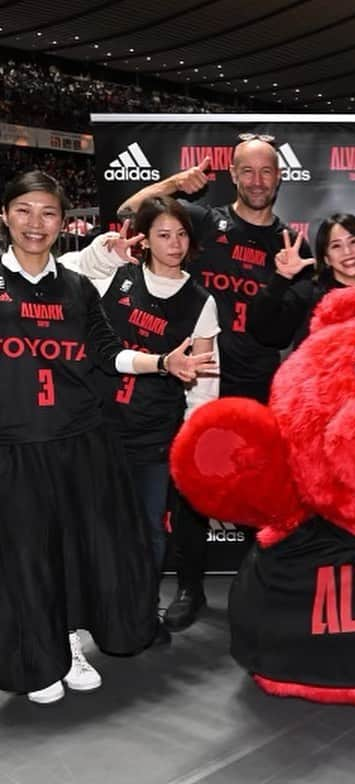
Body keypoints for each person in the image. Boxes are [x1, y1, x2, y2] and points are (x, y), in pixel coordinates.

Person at [0, 171, 215, 704]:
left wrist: (163, 361)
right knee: (24, 555)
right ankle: (34, 657)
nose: (36, 223)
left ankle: (68, 642)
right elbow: (105, 252)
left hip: (77, 440)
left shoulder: (73, 287)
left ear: (61, 221)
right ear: (4, 216)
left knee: (73, 550)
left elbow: (107, 351)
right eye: (24, 210)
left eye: (48, 213)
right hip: (14, 444)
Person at [117, 135, 311, 631]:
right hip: (193, 380)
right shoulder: (204, 220)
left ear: (280, 178)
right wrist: (177, 184)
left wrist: (283, 282)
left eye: (267, 171)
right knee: (188, 492)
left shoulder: (292, 244)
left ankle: (253, 588)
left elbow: (283, 331)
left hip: (256, 385)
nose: (257, 181)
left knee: (252, 493)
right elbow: (128, 209)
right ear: (232, 175)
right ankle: (189, 589)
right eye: (247, 171)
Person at [61, 197, 220, 621]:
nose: (174, 243)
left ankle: (141, 610)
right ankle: (96, 610)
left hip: (154, 431)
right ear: (145, 240)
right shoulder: (116, 274)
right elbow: (62, 268)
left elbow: (205, 380)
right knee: (95, 525)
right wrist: (104, 249)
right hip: (99, 424)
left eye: (181, 234)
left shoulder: (200, 300)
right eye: (163, 235)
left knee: (150, 527)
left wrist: (192, 434)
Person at [248, 212, 355, 348]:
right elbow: (265, 331)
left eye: (354, 241)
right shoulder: (308, 294)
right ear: (326, 258)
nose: (347, 252)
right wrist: (282, 276)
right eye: (336, 246)